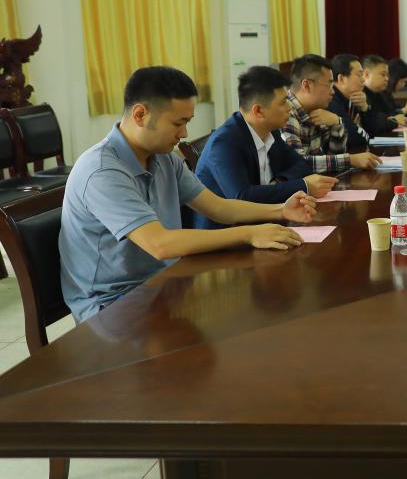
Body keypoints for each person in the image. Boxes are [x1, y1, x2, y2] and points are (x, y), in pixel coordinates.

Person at [59, 66, 317, 322]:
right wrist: (250, 233)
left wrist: (281, 210)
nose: (184, 134)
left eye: (187, 122)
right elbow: (160, 244)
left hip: (163, 284)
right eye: (178, 123)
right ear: (140, 115)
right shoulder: (102, 171)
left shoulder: (164, 159)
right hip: (111, 306)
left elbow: (220, 208)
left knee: (258, 313)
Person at [195, 66, 337, 229]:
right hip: (226, 234)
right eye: (283, 102)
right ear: (258, 111)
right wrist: (303, 185)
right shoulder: (224, 143)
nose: (289, 107)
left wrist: (277, 182)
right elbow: (241, 197)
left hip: (265, 222)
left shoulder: (270, 131)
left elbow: (300, 164)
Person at [281, 54, 381, 172]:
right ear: (307, 85)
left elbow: (334, 159)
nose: (333, 91)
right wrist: (350, 160)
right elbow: (297, 163)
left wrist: (337, 124)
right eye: (329, 84)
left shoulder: (319, 111)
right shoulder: (286, 113)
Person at [327, 54, 371, 152]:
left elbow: (372, 133)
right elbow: (358, 139)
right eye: (359, 75)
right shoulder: (332, 101)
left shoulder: (353, 98)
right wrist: (357, 129)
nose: (363, 79)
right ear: (341, 79)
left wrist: (365, 108)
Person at [361, 54, 407, 136]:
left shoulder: (380, 93)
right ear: (366, 74)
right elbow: (373, 123)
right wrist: (395, 119)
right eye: (383, 74)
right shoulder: (360, 95)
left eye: (387, 75)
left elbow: (390, 113)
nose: (387, 79)